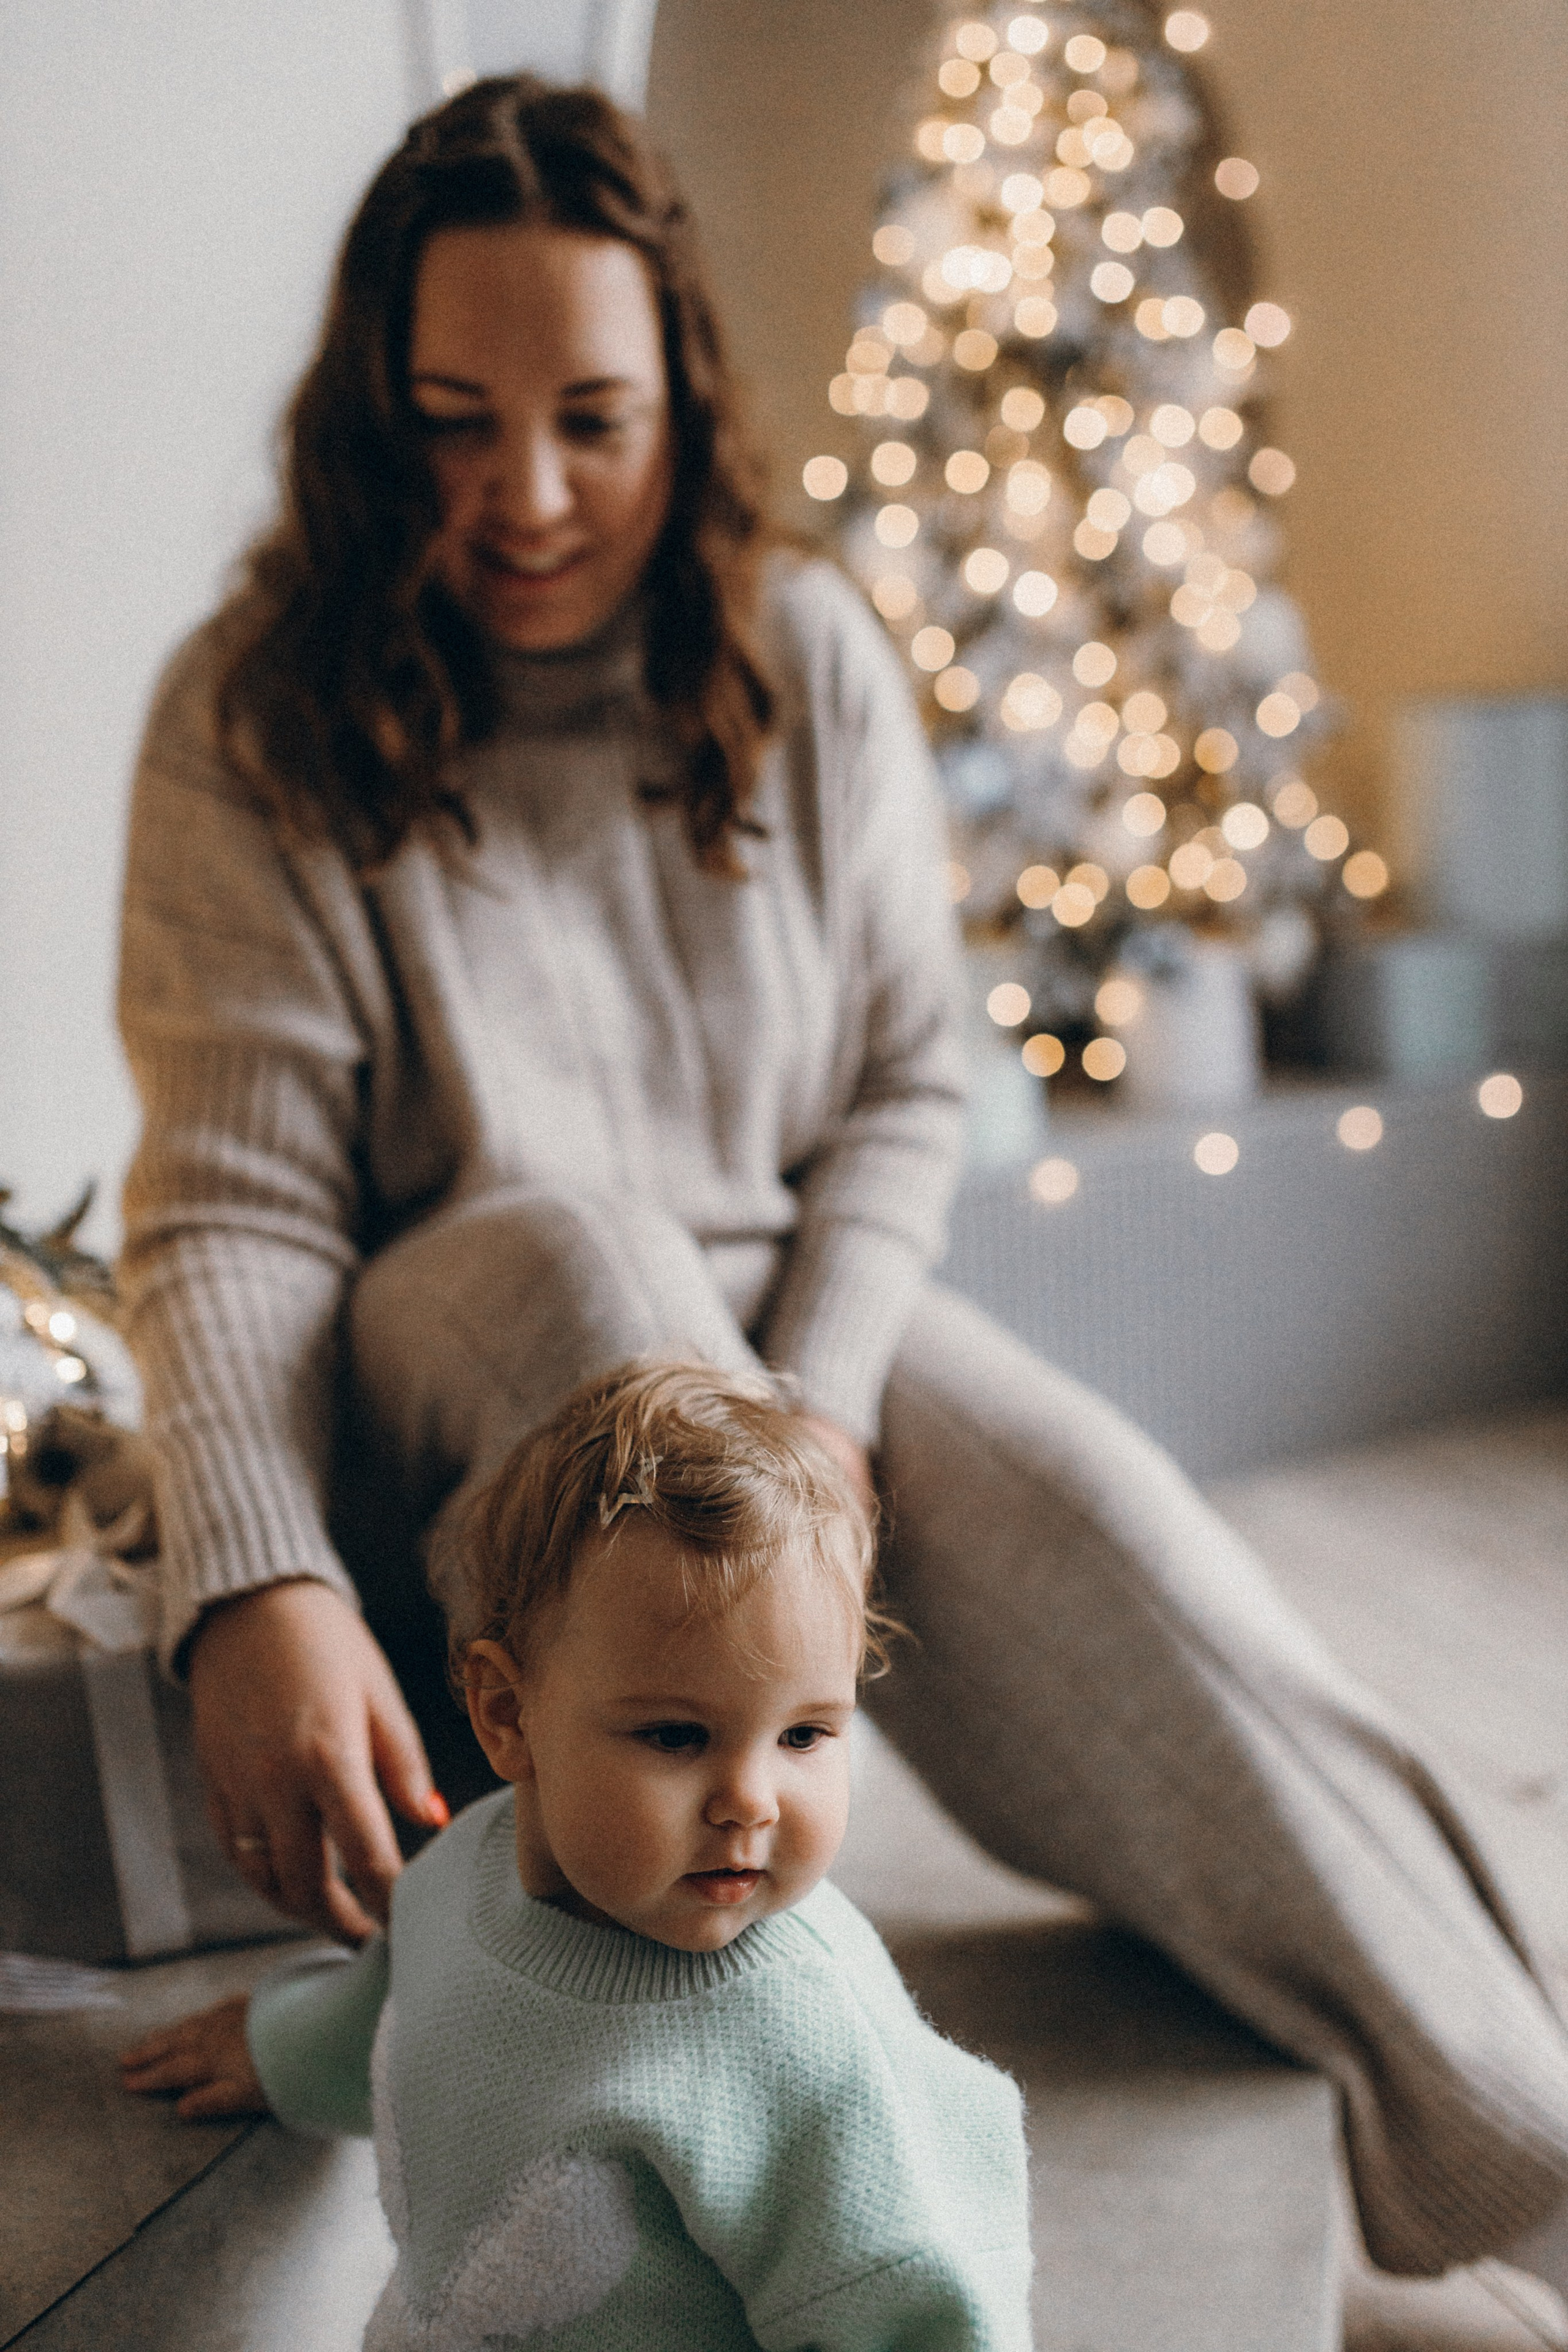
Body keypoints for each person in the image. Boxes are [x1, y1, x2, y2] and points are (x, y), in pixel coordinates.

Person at [114, 71, 1568, 2279]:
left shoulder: (801, 657)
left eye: (591, 418)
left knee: (1102, 1515)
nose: (522, 492)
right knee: (602, 1279)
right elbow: (234, 1213)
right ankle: (825, 2179)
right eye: (448, 420)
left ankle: (1528, 2159)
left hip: (773, 1308)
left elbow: (906, 1083)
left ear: (681, 398)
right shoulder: (255, 716)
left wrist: (829, 1402)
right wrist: (253, 1577)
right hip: (454, 1350)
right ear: (363, 416)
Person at [121, 1359, 1034, 2351]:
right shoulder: (456, 1881)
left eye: (806, 1735)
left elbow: (922, 2310)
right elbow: (398, 2015)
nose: (751, 1801)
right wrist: (281, 2050)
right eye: (678, 1737)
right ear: (509, 1716)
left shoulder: (811, 2051)